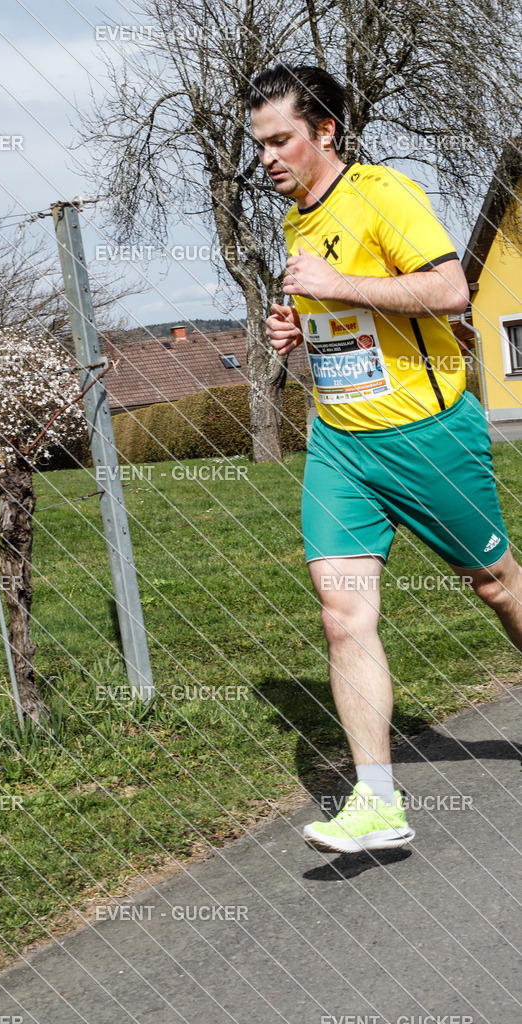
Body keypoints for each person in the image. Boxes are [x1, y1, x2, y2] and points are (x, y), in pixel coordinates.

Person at [245, 64, 522, 853]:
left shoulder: (383, 194)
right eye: (259, 144)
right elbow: (346, 326)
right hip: (341, 444)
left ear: (325, 131)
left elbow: (450, 291)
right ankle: (376, 800)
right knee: (341, 616)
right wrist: (300, 334)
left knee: (497, 586)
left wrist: (339, 283)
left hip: (426, 437)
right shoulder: (295, 222)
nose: (266, 157)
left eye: (280, 140)